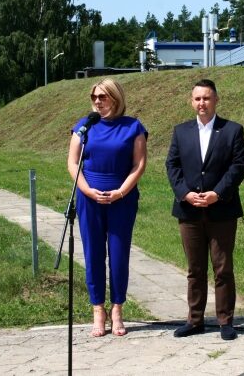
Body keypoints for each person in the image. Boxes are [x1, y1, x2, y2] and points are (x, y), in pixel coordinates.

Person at [166, 79, 244, 341]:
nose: (202, 103)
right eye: (198, 98)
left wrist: (217, 194)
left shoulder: (232, 130)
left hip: (221, 210)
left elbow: (238, 167)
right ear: (192, 101)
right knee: (195, 269)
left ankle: (225, 320)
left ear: (216, 100)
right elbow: (172, 165)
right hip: (189, 211)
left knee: (222, 268)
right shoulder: (181, 131)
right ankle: (195, 320)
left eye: (207, 98)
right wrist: (185, 193)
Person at [67, 78, 148, 337]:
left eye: (102, 96)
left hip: (121, 199)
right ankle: (98, 310)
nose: (97, 101)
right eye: (94, 97)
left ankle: (117, 310)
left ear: (115, 97)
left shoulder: (133, 126)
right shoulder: (85, 126)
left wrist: (121, 191)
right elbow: (72, 162)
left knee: (118, 253)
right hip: (89, 198)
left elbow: (139, 164)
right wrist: (87, 190)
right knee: (92, 254)